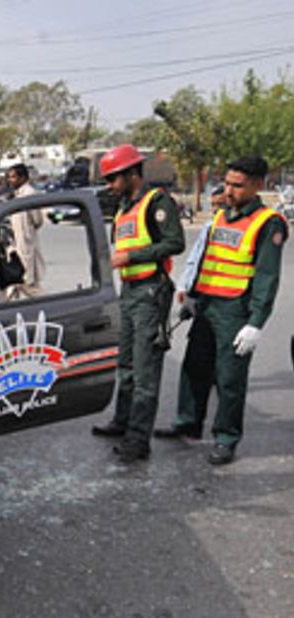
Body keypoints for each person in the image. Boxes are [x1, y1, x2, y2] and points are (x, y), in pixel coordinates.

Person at [155, 156, 286, 465]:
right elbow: (206, 259)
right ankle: (188, 421)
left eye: (237, 186)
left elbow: (267, 277)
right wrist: (192, 294)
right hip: (207, 305)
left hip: (235, 310)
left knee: (229, 379)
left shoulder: (268, 224)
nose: (228, 190)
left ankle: (226, 437)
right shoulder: (223, 216)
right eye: (226, 183)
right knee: (195, 368)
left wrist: (256, 323)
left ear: (257, 185)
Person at [91, 144, 185, 463]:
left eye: (114, 178)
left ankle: (138, 439)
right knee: (126, 365)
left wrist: (132, 256)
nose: (109, 185)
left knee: (145, 371)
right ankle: (122, 421)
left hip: (149, 292)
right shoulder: (123, 208)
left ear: (132, 173)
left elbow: (175, 243)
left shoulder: (156, 202)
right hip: (130, 291)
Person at [5, 163, 46, 300]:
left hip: (26, 246)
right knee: (13, 284)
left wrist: (26, 232)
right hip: (16, 247)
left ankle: (49, 308)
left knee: (26, 284)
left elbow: (38, 220)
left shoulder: (29, 194)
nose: (10, 180)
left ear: (23, 178)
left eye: (13, 177)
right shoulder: (17, 196)